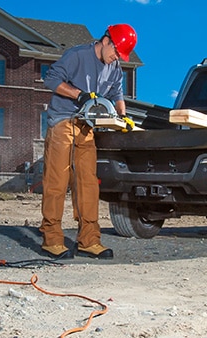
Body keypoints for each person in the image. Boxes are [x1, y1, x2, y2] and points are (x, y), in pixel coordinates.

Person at [40, 24, 137, 260]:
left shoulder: (113, 66)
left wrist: (122, 116)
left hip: (88, 126)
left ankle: (89, 240)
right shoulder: (77, 55)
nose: (117, 58)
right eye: (116, 52)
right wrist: (78, 94)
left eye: (121, 56)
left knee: (88, 184)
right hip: (63, 122)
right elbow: (50, 79)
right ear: (106, 41)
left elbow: (116, 93)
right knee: (57, 181)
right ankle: (51, 239)